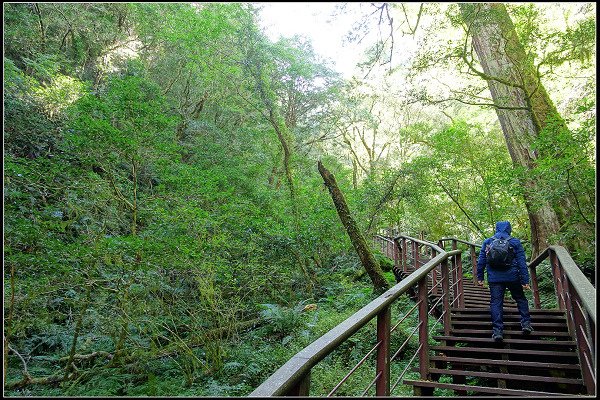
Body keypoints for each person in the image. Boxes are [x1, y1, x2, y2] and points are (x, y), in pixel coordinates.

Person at [477, 221, 533, 342]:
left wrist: (480, 277)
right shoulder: (515, 242)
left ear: (496, 229)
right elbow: (522, 263)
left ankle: (498, 331)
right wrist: (525, 280)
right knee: (520, 299)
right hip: (512, 276)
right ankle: (526, 324)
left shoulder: (488, 241)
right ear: (509, 229)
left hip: (494, 278)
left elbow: (481, 260)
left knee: (496, 303)